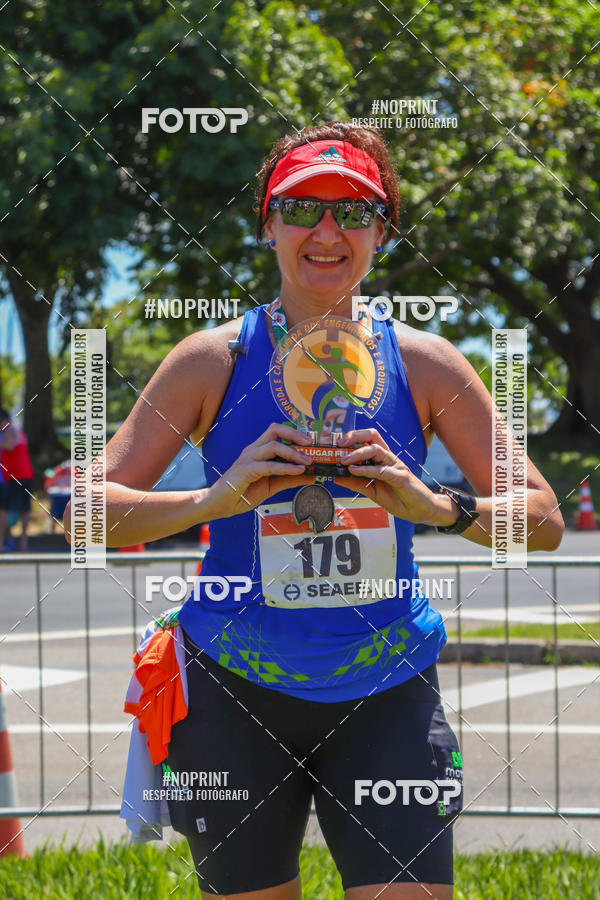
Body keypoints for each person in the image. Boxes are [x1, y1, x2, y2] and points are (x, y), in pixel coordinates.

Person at [64, 122, 564, 899]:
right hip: (232, 692)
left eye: (354, 210)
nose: (327, 230)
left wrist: (433, 505)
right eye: (302, 206)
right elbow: (82, 512)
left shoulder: (425, 363)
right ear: (267, 222)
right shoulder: (212, 359)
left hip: (386, 689)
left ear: (382, 231)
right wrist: (212, 500)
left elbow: (544, 520)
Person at [0, 408, 34, 551]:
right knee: (16, 510)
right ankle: (16, 542)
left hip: (17, 477)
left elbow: (10, 445)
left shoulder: (10, 430)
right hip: (16, 477)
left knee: (7, 509)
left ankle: (16, 542)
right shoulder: (12, 431)